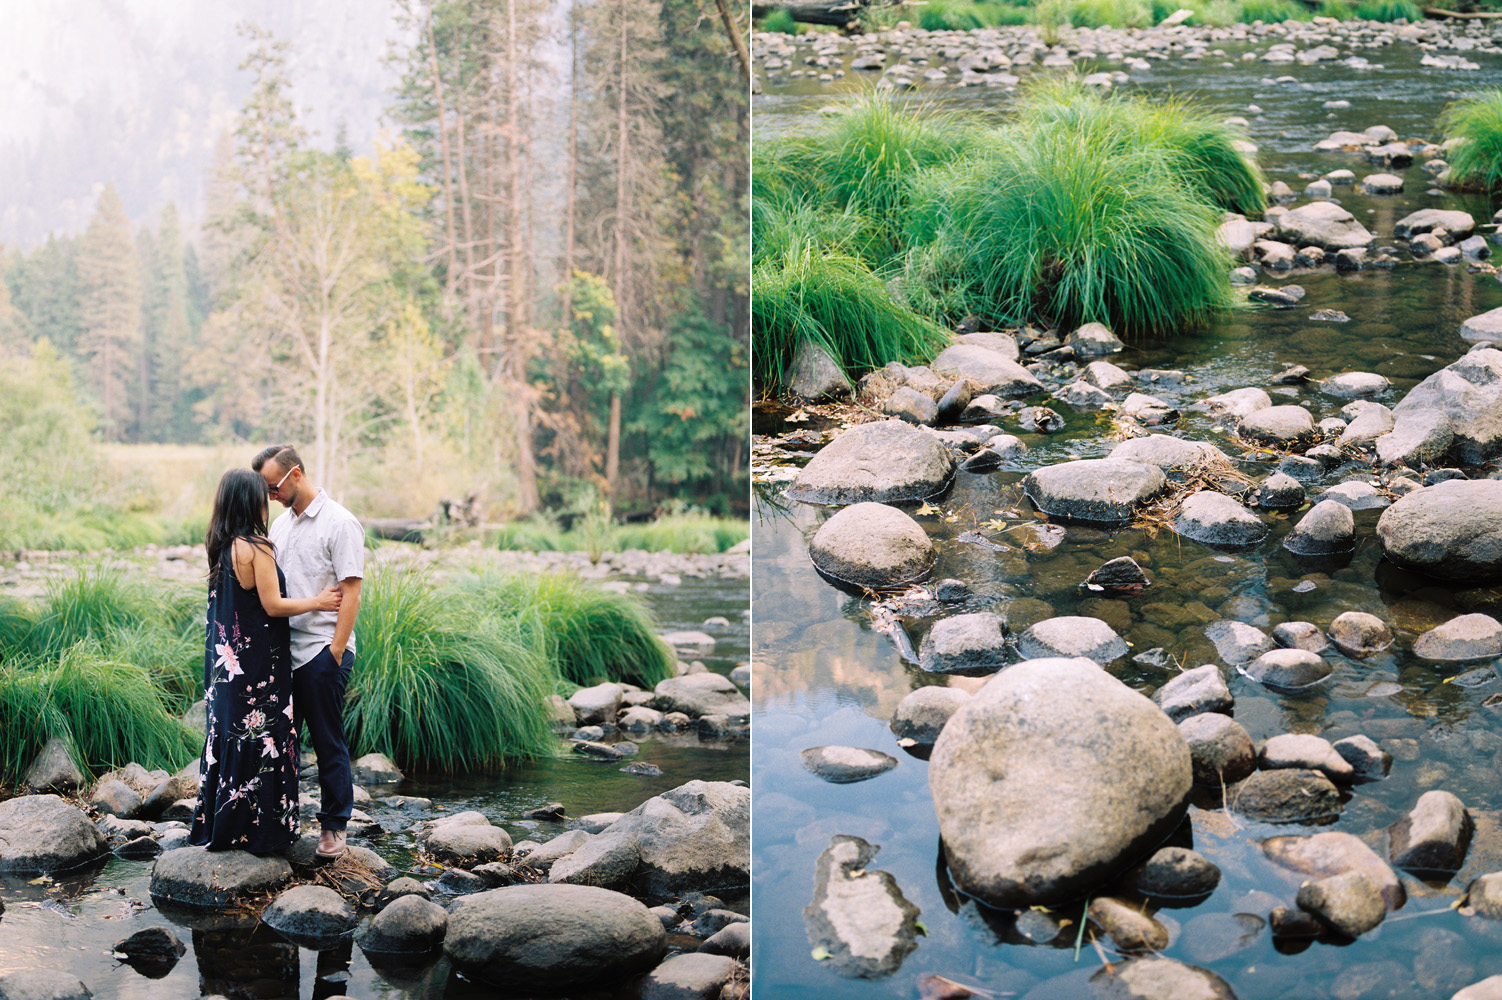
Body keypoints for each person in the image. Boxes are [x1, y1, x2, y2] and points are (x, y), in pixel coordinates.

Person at [190, 468, 342, 853]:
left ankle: (226, 827)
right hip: (260, 665)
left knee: (235, 738)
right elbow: (273, 605)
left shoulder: (221, 545)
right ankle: (264, 833)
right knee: (266, 738)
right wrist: (320, 602)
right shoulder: (257, 546)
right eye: (263, 494)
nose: (268, 500)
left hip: (229, 669)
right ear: (250, 501)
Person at [253, 444, 365, 860]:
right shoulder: (280, 527)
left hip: (321, 650)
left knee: (327, 740)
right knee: (280, 742)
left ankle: (335, 826)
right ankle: (280, 824)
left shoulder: (341, 523)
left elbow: (351, 593)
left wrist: (335, 653)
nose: (270, 495)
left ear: (295, 474)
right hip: (285, 652)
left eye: (273, 486)